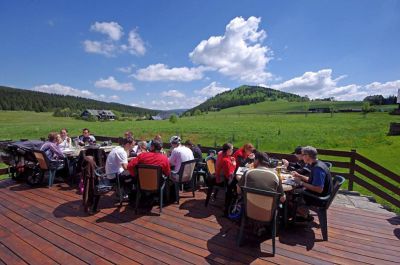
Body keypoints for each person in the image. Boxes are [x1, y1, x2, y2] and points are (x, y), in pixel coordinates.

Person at [291, 146, 332, 219]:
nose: (302, 157)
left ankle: (302, 215)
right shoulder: (317, 164)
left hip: (319, 199)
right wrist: (299, 175)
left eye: (303, 155)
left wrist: (301, 183)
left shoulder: (318, 169)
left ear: (307, 156)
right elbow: (312, 180)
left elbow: (319, 189)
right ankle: (302, 214)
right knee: (294, 193)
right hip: (319, 195)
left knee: (292, 195)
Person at [215, 143, 237, 216]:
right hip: (221, 179)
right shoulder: (225, 160)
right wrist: (233, 163)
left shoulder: (221, 154)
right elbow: (229, 175)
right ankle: (229, 206)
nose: (233, 150)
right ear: (228, 150)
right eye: (232, 149)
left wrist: (231, 159)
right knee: (235, 185)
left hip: (219, 175)